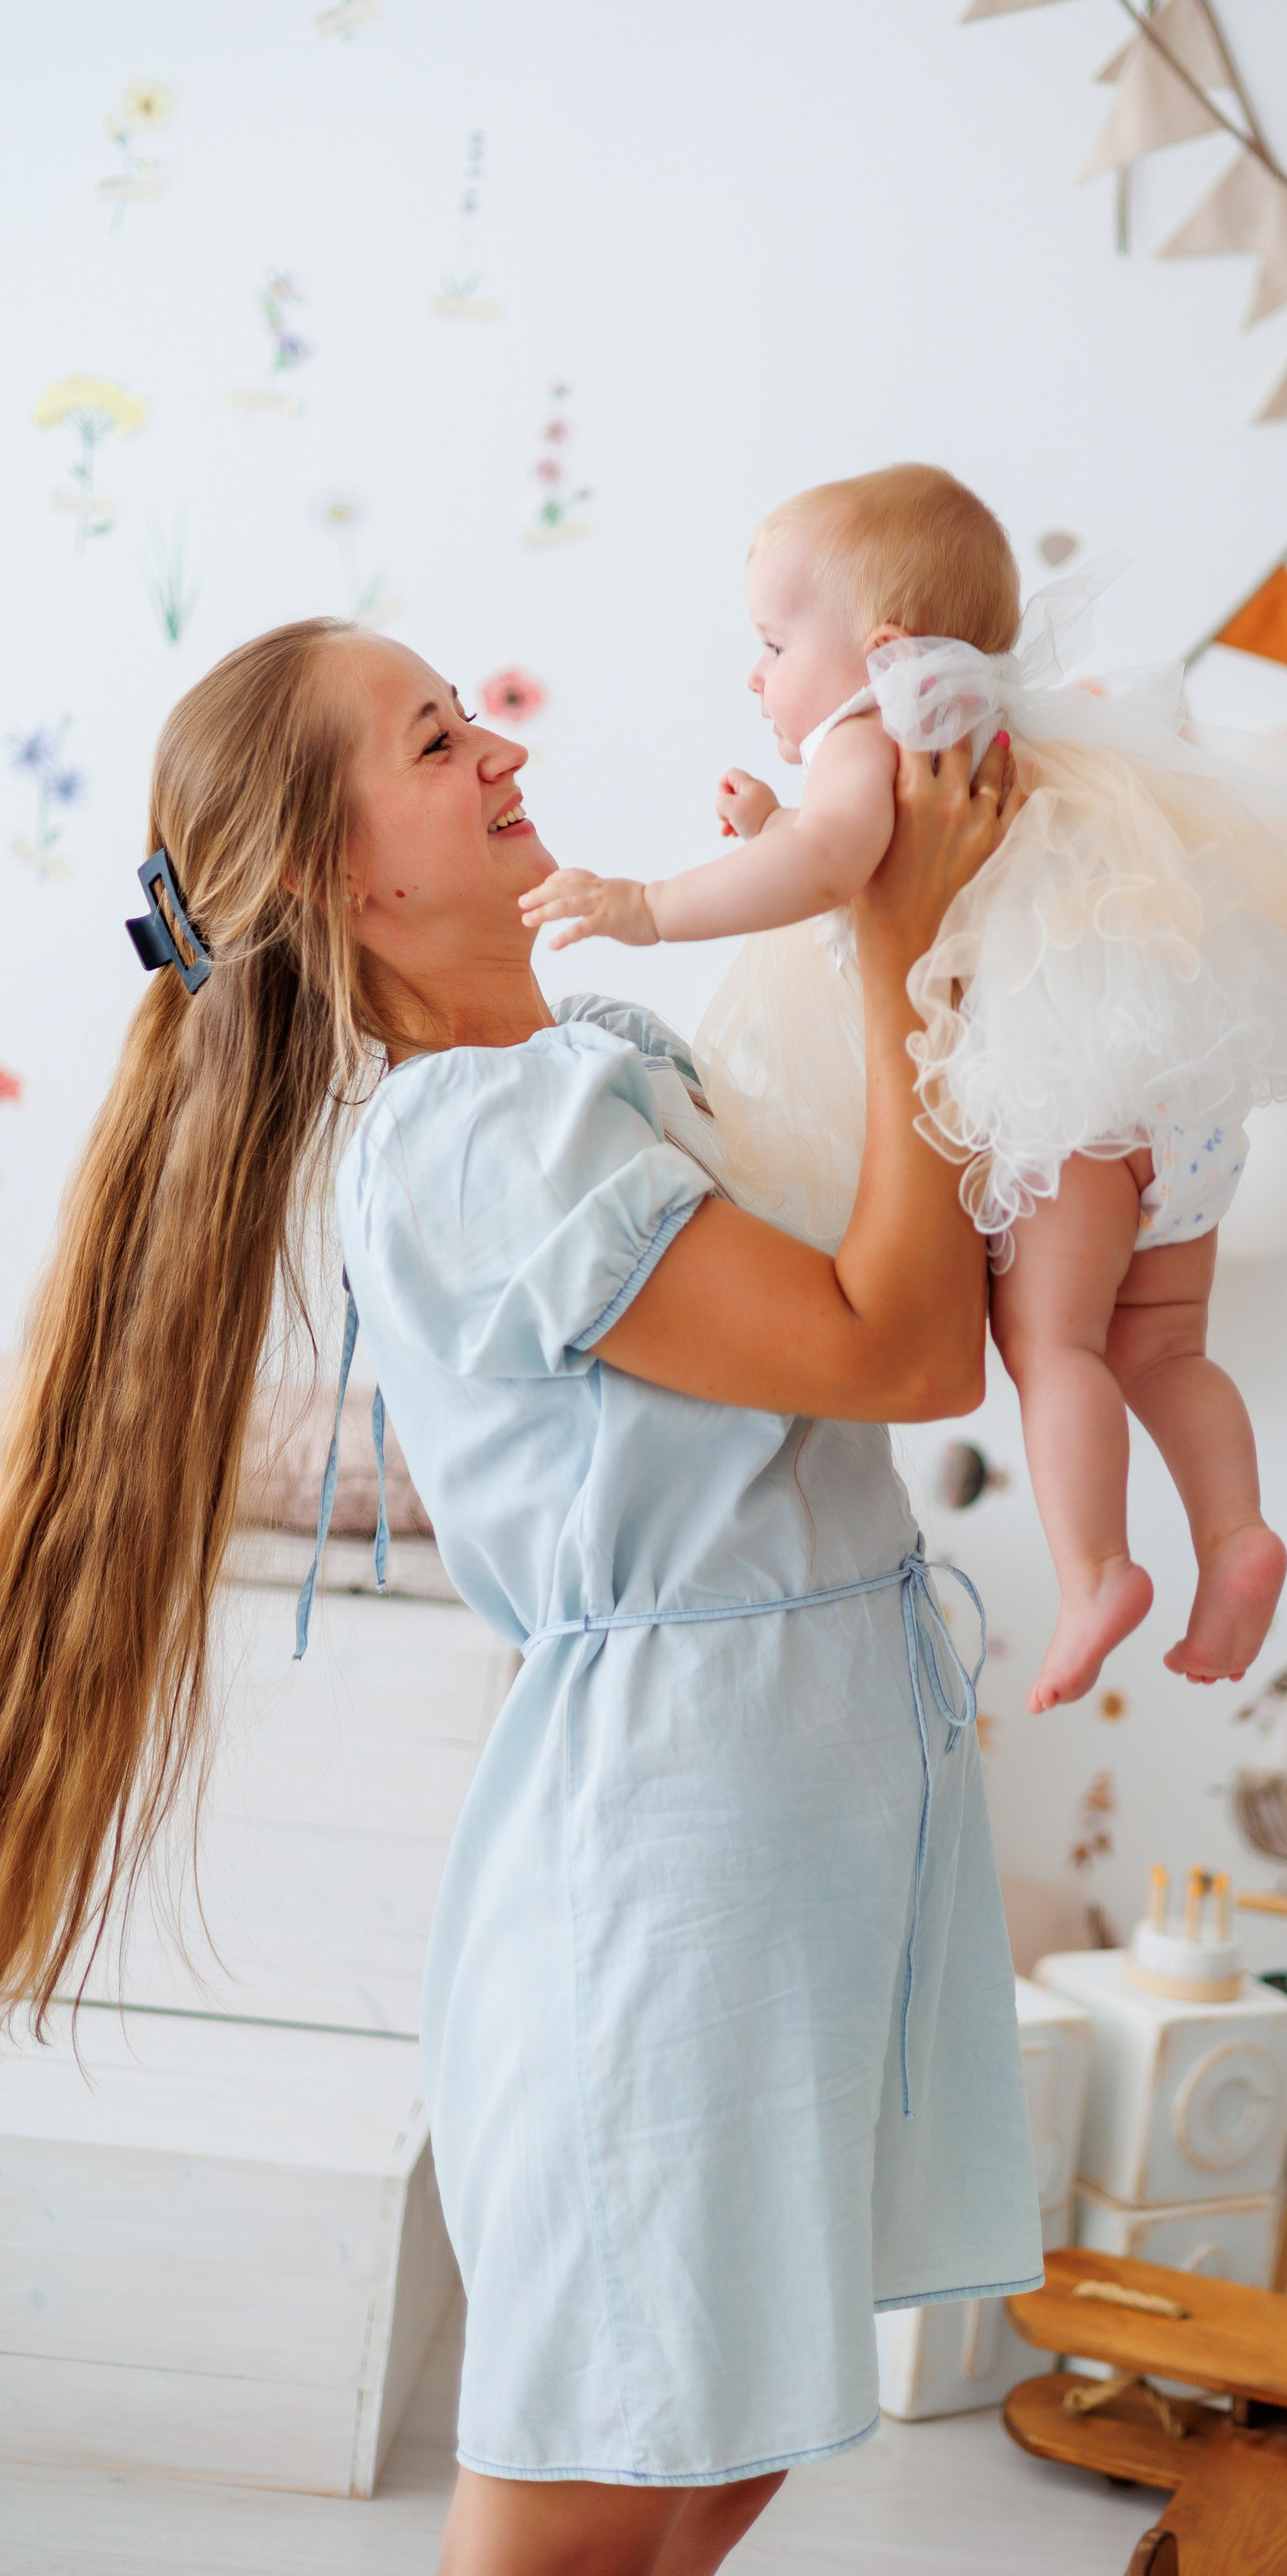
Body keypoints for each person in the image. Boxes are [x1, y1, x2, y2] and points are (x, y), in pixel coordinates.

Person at [0, 618, 1036, 2576]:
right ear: (341, 877)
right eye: (432, 741)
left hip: (800, 1792)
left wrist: (875, 922)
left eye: (471, 716)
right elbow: (900, 1353)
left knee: (726, 2442)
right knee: (599, 2477)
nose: (498, 752)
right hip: (677, 1839)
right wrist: (900, 943)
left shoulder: (586, 1074)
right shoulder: (485, 1141)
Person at [518, 466, 1287, 1719]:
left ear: (881, 652)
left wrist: (648, 906)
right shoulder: (994, 731)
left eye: (775, 645)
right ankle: (1235, 1532)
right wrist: (777, 823)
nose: (756, 675)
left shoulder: (873, 732)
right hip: (1172, 1102)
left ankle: (1098, 1570)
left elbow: (837, 860)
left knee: (1058, 1346)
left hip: (1069, 1113)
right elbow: (870, 860)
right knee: (1167, 1345)